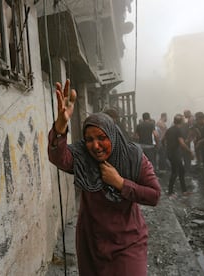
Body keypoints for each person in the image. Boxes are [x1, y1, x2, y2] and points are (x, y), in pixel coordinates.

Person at [48, 80, 161, 276]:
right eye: (90, 139)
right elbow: (58, 157)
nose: (96, 146)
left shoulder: (133, 158)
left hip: (127, 243)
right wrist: (61, 125)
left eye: (101, 138)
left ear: (112, 135)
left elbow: (154, 195)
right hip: (92, 243)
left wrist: (120, 183)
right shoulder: (83, 157)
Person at [163, 114, 194, 198]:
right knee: (175, 172)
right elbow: (182, 143)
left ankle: (184, 191)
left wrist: (167, 148)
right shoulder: (178, 130)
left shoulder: (169, 129)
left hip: (170, 153)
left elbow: (163, 140)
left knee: (181, 171)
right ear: (181, 121)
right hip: (175, 154)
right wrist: (189, 151)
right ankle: (170, 192)